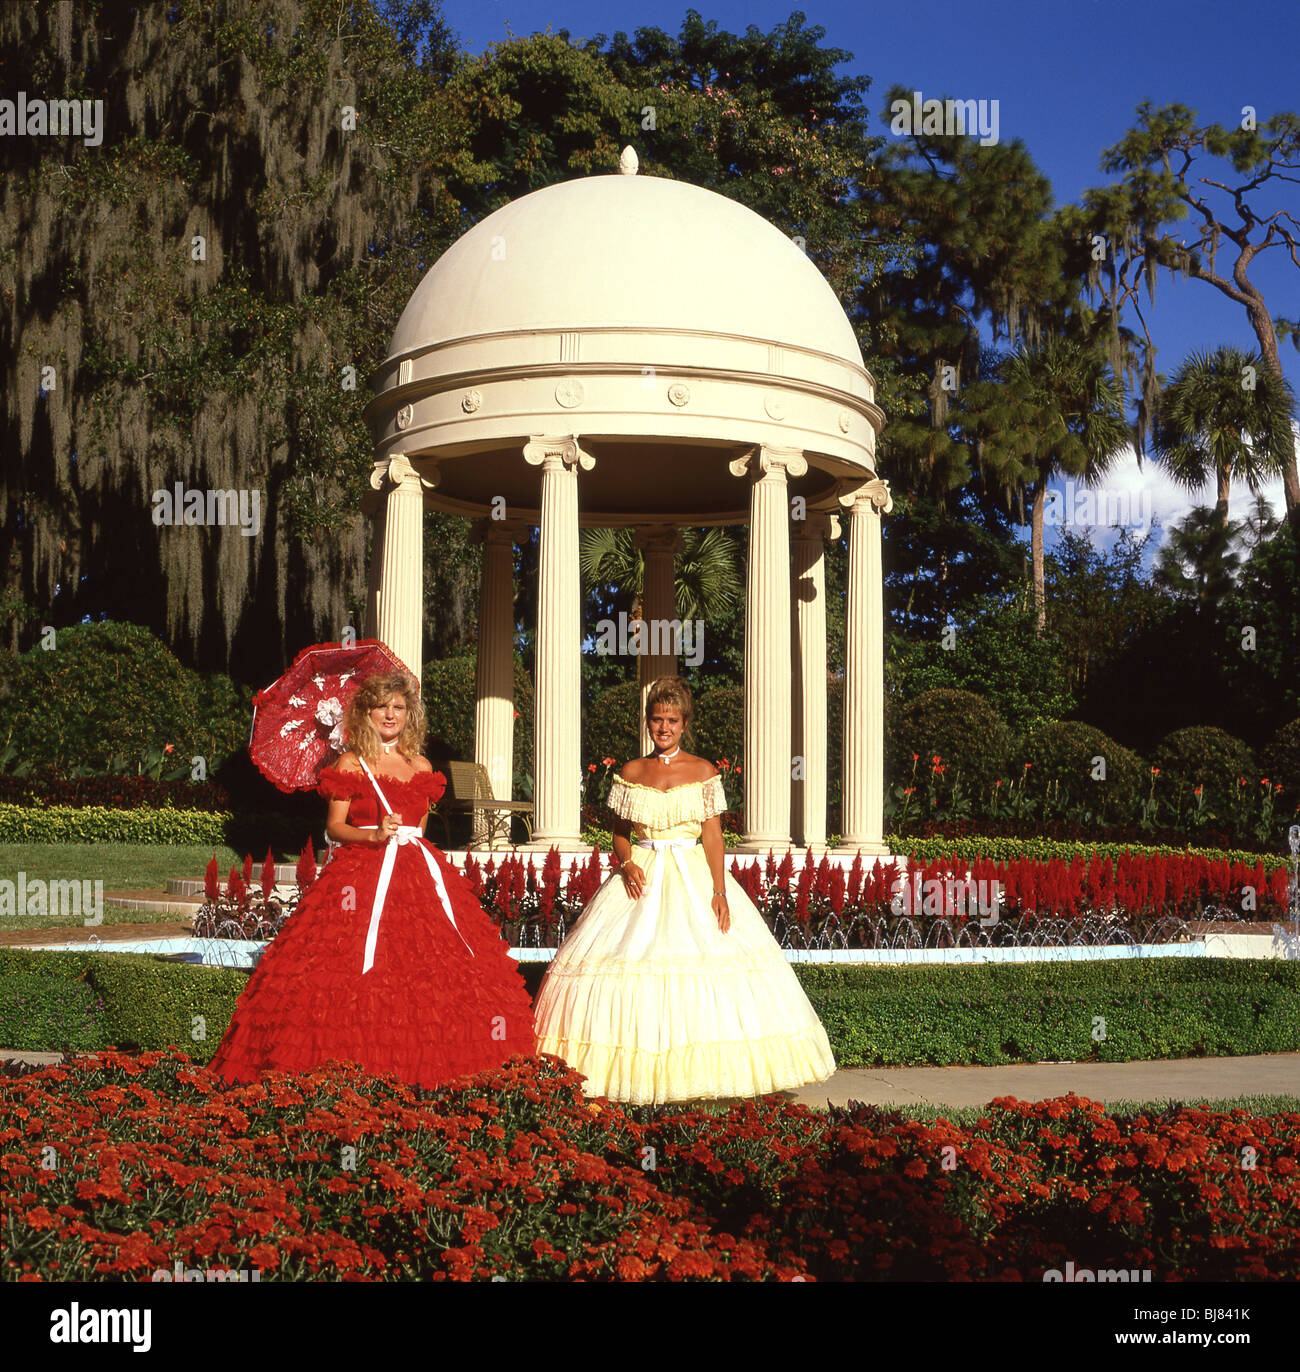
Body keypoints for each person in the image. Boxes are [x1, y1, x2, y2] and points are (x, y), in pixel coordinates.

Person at [208, 670, 536, 1090]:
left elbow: (418, 826)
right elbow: (334, 828)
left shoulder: (421, 765)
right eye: (382, 706)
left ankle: (441, 1074)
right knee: (350, 972)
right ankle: (344, 1076)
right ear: (366, 711)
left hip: (419, 876)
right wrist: (374, 834)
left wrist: (402, 836)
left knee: (437, 970)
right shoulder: (350, 762)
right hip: (360, 875)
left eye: (399, 707)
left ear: (409, 714)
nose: (390, 714)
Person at [532, 675, 836, 1105]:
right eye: (657, 720)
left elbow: (712, 836)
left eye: (672, 720)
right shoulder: (632, 772)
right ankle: (637, 1077)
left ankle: (706, 1078)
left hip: (692, 875)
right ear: (648, 722)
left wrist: (719, 889)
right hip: (643, 874)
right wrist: (627, 861)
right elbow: (618, 834)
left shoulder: (704, 771)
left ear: (684, 722)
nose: (664, 728)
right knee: (629, 965)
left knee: (708, 966)